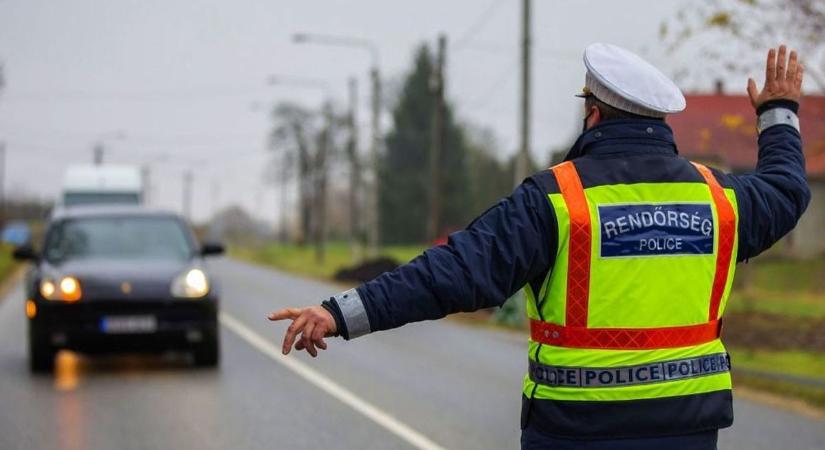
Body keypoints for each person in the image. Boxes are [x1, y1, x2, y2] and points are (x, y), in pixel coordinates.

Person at [268, 43, 809, 449]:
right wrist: (778, 112)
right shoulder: (719, 200)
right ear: (658, 123)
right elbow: (787, 190)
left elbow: (450, 272)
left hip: (576, 432)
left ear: (593, 114)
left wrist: (340, 313)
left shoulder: (558, 200)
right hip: (688, 430)